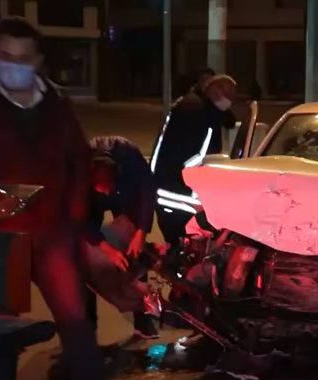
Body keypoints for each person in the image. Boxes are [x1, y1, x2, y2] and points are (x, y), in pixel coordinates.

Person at [0, 17, 107, 380]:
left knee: (76, 326)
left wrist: (76, 221)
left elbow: (79, 161)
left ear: (37, 60)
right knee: (2, 335)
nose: (13, 63)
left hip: (54, 235)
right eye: (5, 55)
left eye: (22, 56)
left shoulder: (56, 101)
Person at [85, 135, 159, 339]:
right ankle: (87, 328)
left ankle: (143, 320)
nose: (106, 192)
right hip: (89, 202)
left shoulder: (129, 157)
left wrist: (141, 232)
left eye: (108, 186)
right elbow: (79, 219)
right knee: (83, 261)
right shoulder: (77, 175)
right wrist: (106, 249)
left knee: (134, 250)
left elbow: (147, 192)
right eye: (102, 188)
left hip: (127, 195)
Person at [150, 74, 238, 246]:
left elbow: (227, 119)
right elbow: (202, 156)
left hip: (168, 185)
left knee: (181, 243)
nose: (230, 101)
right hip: (175, 192)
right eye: (227, 96)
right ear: (214, 92)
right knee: (184, 244)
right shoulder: (197, 113)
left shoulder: (196, 104)